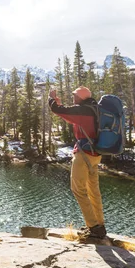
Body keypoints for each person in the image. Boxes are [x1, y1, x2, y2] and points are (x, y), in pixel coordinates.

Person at [48, 86, 106, 239]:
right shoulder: (94, 109)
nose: (73, 97)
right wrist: (60, 105)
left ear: (81, 97)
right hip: (95, 155)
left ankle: (93, 227)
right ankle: (100, 225)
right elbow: (69, 116)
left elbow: (59, 111)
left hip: (83, 155)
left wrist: (52, 99)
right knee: (93, 190)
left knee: (78, 190)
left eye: (75, 95)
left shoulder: (83, 110)